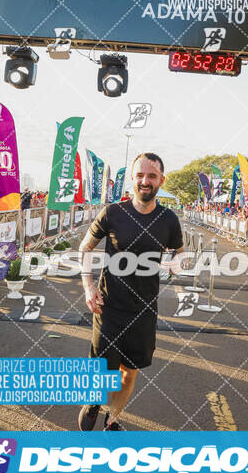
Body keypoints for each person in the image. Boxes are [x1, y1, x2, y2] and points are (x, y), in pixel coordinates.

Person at [78, 152, 184, 431]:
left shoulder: (169, 220)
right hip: (108, 306)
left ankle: (112, 419)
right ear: (132, 180)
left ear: (162, 179)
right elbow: (85, 248)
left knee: (128, 374)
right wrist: (89, 287)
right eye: (139, 175)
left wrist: (176, 263)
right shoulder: (113, 213)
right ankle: (93, 401)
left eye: (151, 176)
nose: (145, 181)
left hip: (144, 310)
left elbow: (179, 252)